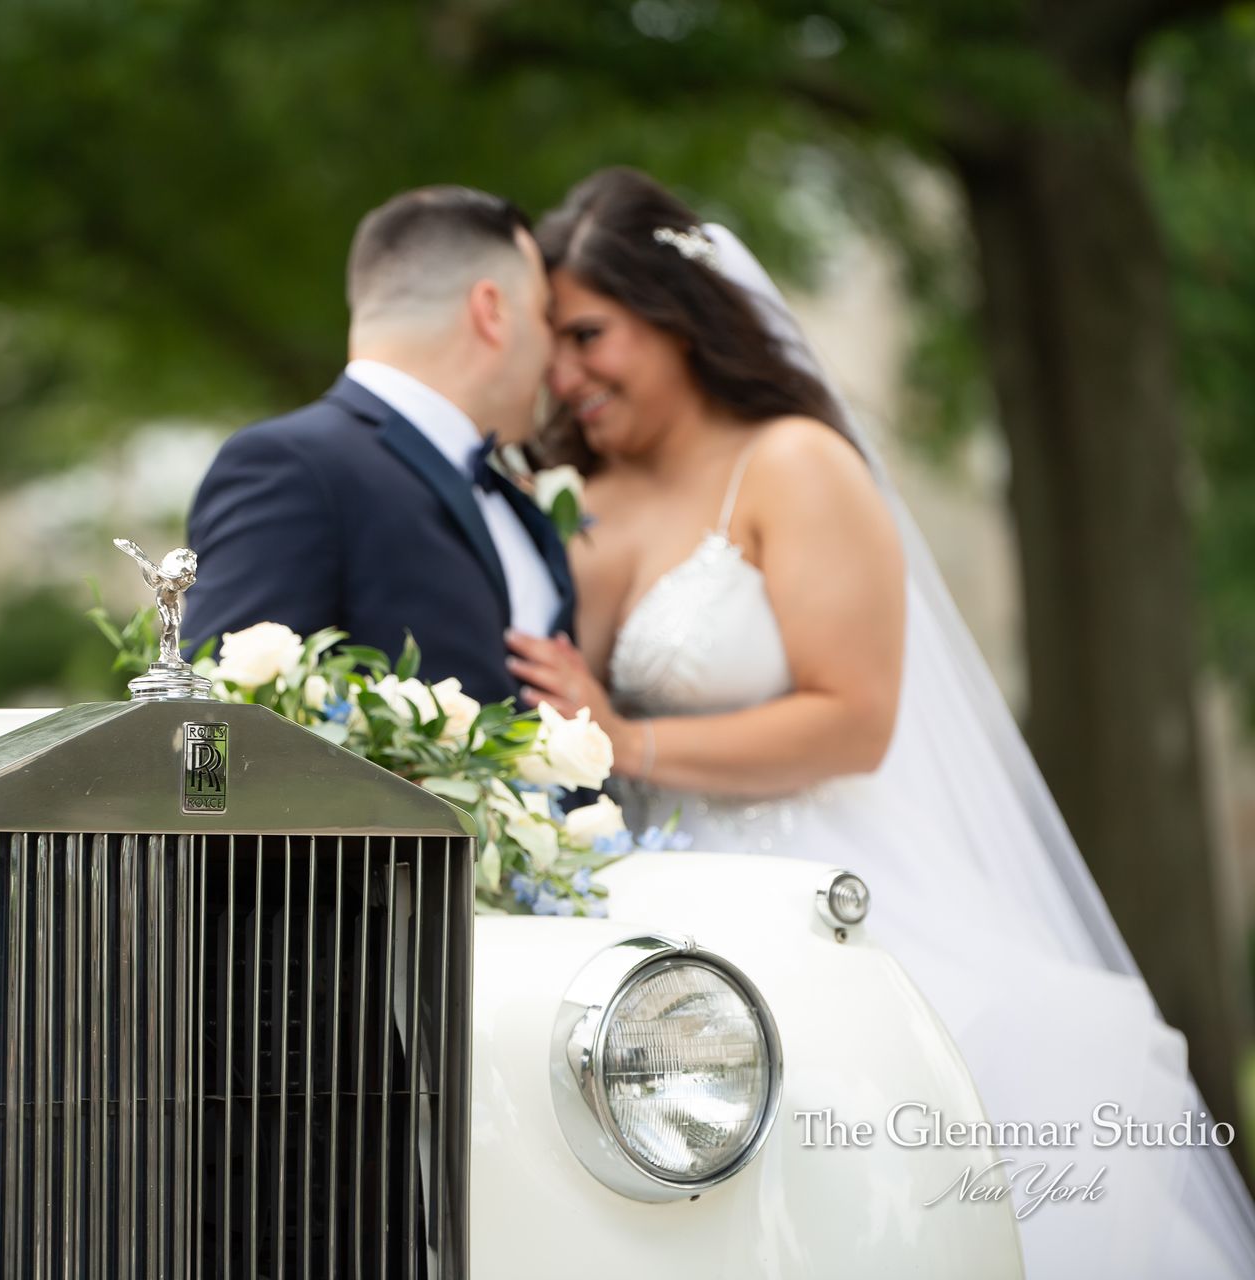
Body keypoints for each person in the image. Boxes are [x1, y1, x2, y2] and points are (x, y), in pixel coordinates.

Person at [507, 167, 1255, 1278]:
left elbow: (855, 717)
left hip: (822, 880)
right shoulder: (577, 487)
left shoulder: (795, 465)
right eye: (548, 343)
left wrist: (628, 736)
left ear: (674, 315)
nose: (566, 372)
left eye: (589, 334)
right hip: (646, 892)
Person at [183, 185, 573, 705]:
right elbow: (209, 733)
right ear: (491, 310)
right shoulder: (291, 465)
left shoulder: (508, 494)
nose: (556, 354)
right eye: (546, 315)